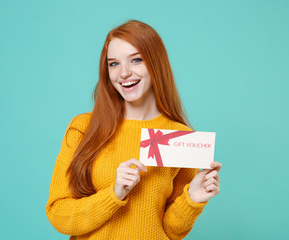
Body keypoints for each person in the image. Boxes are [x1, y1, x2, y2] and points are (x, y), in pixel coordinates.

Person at [46, 20, 222, 239]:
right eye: (114, 64)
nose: (124, 73)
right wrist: (114, 193)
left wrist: (193, 198)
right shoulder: (83, 127)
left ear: (155, 64)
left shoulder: (180, 137)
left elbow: (170, 231)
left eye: (136, 60)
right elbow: (58, 214)